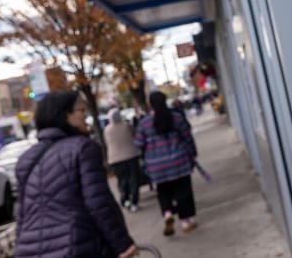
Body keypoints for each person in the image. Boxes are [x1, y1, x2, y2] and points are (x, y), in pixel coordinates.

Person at [15, 92, 138, 258]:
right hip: (77, 247)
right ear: (66, 115)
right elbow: (99, 203)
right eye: (81, 110)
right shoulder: (83, 148)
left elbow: (21, 215)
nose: (85, 116)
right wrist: (123, 243)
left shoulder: (26, 159)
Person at [135, 91, 198, 236]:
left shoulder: (144, 123)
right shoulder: (176, 118)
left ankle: (167, 213)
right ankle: (185, 221)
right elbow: (187, 137)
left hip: (157, 166)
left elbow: (138, 144)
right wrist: (192, 153)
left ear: (150, 104)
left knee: (163, 191)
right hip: (178, 161)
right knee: (183, 191)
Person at [105, 108, 141, 212]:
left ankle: (125, 199)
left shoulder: (107, 130)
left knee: (122, 179)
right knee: (134, 179)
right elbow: (134, 135)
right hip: (131, 156)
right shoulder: (127, 126)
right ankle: (134, 201)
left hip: (115, 159)